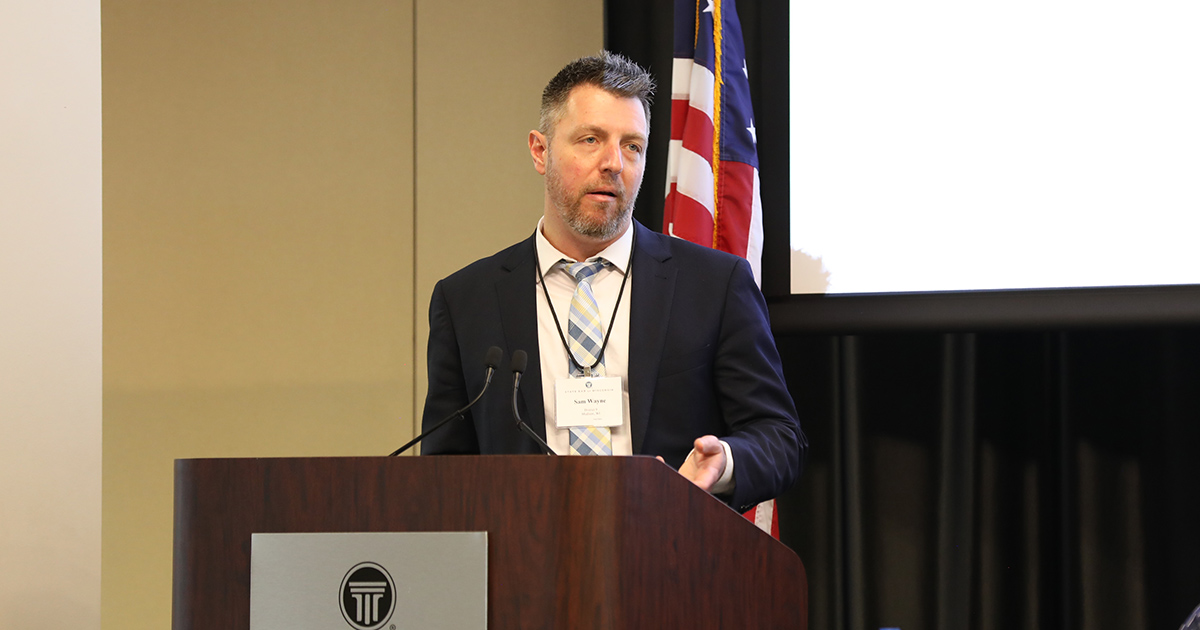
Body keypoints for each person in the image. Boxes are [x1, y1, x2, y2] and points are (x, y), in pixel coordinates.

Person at [420, 51, 805, 512]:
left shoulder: (714, 285)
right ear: (540, 151)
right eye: (590, 139)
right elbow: (443, 471)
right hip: (524, 568)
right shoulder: (467, 301)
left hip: (673, 559)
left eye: (632, 146)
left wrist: (725, 461)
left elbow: (779, 438)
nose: (614, 164)